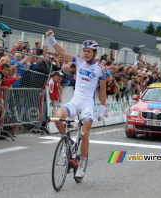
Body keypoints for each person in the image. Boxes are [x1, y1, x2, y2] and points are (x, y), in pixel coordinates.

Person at [46, 30, 106, 178]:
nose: (85, 54)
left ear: (94, 53)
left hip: (87, 103)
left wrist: (102, 108)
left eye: (89, 51)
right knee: (58, 117)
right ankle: (70, 142)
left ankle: (83, 163)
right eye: (84, 51)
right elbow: (63, 53)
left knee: (84, 133)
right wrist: (51, 39)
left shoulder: (101, 70)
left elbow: (103, 91)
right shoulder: (78, 61)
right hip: (75, 99)